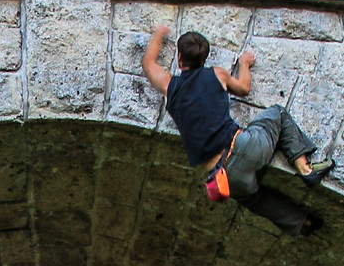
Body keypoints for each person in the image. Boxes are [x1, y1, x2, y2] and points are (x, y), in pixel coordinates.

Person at [140, 25, 331, 236]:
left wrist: (159, 34)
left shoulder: (170, 87)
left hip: (224, 176)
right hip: (245, 146)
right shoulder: (218, 74)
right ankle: (305, 169)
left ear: (179, 58)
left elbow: (148, 64)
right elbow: (244, 88)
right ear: (204, 59)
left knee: (255, 200)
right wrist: (244, 64)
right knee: (278, 114)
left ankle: (301, 222)